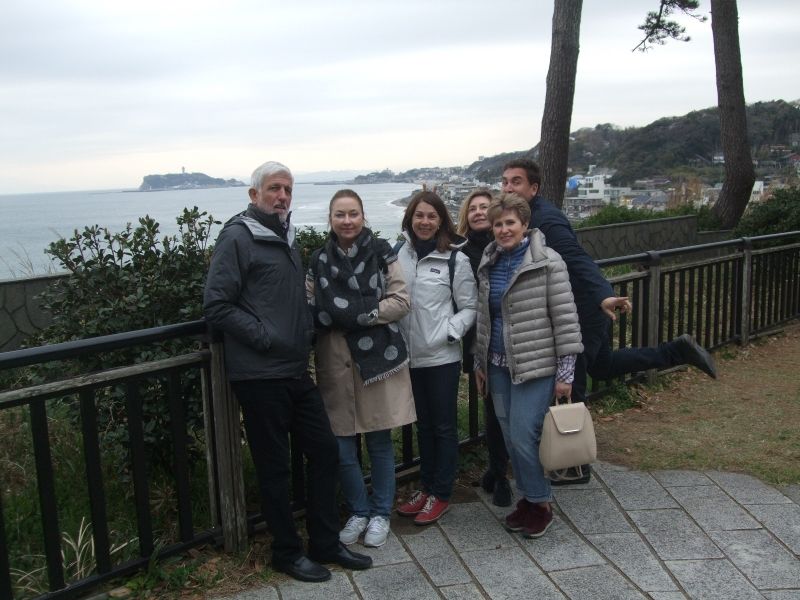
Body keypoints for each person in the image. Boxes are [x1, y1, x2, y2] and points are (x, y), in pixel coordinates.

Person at [203, 161, 372, 583]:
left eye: (287, 190)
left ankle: (325, 542)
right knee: (275, 466)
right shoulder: (238, 237)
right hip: (259, 375)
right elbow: (216, 304)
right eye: (274, 189)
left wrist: (305, 325)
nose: (282, 196)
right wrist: (265, 336)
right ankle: (286, 551)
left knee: (324, 451)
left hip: (294, 369)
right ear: (254, 194)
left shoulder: (282, 236)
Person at [501, 158, 717, 483]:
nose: (507, 187)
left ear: (534, 188)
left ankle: (574, 464)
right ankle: (676, 351)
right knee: (601, 366)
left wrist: (603, 294)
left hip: (583, 311)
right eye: (504, 182)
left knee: (574, 380)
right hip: (581, 307)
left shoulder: (546, 220)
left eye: (515, 182)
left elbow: (577, 258)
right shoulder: (525, 218)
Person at [307, 189, 416, 548]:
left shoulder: (382, 252)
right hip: (335, 361)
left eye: (353, 213)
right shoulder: (318, 259)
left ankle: (381, 513)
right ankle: (358, 511)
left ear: (363, 216)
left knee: (380, 441)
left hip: (376, 361)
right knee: (342, 445)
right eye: (340, 214)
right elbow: (310, 309)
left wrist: (364, 314)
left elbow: (400, 300)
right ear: (331, 219)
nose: (347, 221)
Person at [473, 192, 583, 538]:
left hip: (537, 365)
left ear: (524, 224)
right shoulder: (488, 262)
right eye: (498, 224)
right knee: (508, 436)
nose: (503, 229)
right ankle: (529, 500)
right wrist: (479, 363)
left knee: (523, 434)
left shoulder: (548, 262)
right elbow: (484, 318)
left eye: (510, 223)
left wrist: (566, 373)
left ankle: (541, 503)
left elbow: (565, 318)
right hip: (497, 365)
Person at [395, 190, 477, 525]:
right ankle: (426, 487)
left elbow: (470, 307)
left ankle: (441, 493)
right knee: (423, 425)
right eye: (419, 215)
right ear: (410, 219)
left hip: (441, 357)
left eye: (432, 216)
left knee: (442, 427)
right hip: (408, 357)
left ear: (441, 219)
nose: (425, 222)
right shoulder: (399, 255)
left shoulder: (456, 259)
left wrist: (449, 332)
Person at [456, 189, 511, 507]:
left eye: (484, 207)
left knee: (510, 409)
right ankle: (499, 474)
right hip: (479, 341)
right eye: (473, 208)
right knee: (492, 410)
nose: (478, 212)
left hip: (511, 338)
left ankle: (498, 469)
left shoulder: (505, 245)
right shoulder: (459, 250)